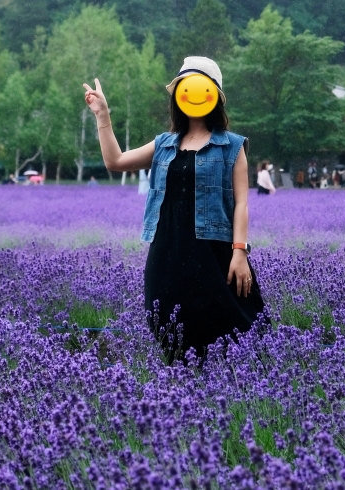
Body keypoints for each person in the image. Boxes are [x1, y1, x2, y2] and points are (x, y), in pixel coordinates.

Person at [83, 56, 264, 365]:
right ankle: (182, 392)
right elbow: (115, 162)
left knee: (229, 321)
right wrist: (103, 115)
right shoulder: (164, 144)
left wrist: (240, 252)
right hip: (167, 247)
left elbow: (242, 202)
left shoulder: (232, 146)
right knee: (166, 318)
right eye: (186, 88)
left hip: (213, 250)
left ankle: (235, 389)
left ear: (214, 98)